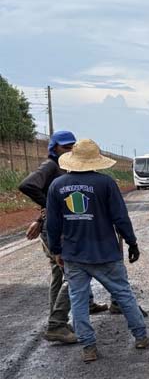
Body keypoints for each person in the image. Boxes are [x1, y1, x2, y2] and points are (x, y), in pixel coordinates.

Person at [45, 139, 149, 363]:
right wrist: (132, 242)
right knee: (123, 294)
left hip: (73, 254)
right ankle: (140, 336)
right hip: (106, 253)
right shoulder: (106, 183)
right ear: (95, 161)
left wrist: (56, 250)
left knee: (79, 301)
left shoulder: (57, 186)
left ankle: (88, 348)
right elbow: (120, 218)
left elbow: (52, 225)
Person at [18, 130, 109, 344]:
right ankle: (56, 324)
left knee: (63, 273)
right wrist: (49, 206)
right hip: (54, 229)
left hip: (54, 224)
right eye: (64, 147)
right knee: (71, 272)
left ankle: (85, 305)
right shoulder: (51, 165)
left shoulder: (65, 166)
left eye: (71, 147)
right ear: (54, 147)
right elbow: (27, 185)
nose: (68, 150)